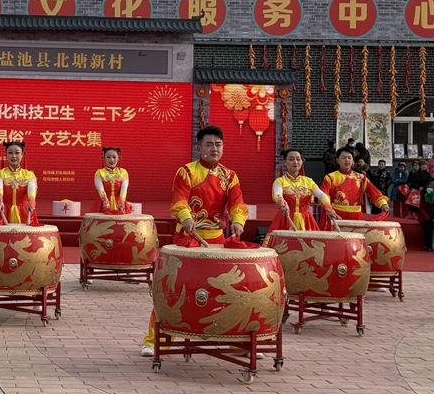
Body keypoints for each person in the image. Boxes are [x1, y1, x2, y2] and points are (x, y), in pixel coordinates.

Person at [141, 125, 249, 357]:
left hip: (217, 239)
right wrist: (186, 217)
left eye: (218, 144)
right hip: (187, 238)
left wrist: (239, 221)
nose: (214, 149)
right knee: (174, 289)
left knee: (227, 291)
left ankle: (237, 343)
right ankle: (154, 341)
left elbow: (237, 204)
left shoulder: (229, 176)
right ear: (199, 147)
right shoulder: (187, 172)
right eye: (209, 144)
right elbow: (179, 200)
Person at [262, 149, 338, 247]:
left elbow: (322, 195)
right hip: (285, 218)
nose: (295, 162)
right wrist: (282, 203)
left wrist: (328, 207)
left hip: (306, 220)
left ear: (302, 161)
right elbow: (277, 194)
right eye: (291, 159)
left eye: (298, 159)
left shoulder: (309, 181)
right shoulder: (280, 181)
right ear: (284, 162)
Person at [318, 147, 389, 231]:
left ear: (353, 161)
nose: (347, 160)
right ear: (337, 160)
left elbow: (373, 191)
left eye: (349, 158)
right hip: (336, 215)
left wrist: (383, 203)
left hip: (356, 215)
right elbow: (323, 194)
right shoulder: (330, 177)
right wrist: (328, 208)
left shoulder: (361, 177)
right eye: (343, 158)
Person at [0, 141, 41, 226]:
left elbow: (31, 193)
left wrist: (31, 203)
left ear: (22, 155)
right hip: (3, 211)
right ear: (6, 155)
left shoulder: (29, 175)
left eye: (17, 153)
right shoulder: (0, 174)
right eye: (10, 153)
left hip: (25, 213)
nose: (13, 156)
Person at [91, 146, 132, 213]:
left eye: (114, 157)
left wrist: (121, 202)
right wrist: (105, 201)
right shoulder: (99, 173)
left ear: (118, 158)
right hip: (103, 203)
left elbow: (124, 189)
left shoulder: (123, 172)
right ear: (104, 158)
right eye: (108, 157)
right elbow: (100, 188)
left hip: (120, 203)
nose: (112, 160)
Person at [419, 180, 434, 251]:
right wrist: (427, 219)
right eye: (428, 187)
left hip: (433, 216)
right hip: (424, 218)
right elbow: (422, 210)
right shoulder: (424, 197)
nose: (429, 189)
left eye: (431, 187)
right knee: (428, 225)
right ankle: (427, 245)